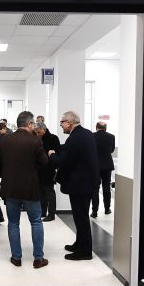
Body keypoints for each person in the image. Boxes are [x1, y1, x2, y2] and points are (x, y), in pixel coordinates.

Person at [0, 111, 49, 268]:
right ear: (30, 124)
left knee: (13, 223)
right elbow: (44, 162)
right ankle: (38, 258)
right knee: (36, 221)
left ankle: (16, 258)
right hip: (30, 187)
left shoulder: (4, 140)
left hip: (10, 187)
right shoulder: (35, 140)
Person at [47, 111, 99, 261]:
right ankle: (80, 243)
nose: (61, 125)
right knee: (80, 216)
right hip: (87, 183)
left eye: (62, 122)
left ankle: (85, 251)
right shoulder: (86, 134)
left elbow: (63, 161)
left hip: (80, 185)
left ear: (69, 122)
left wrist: (52, 155)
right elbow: (72, 151)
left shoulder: (75, 138)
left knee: (81, 217)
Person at [33, 122, 60, 222]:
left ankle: (51, 214)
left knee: (49, 192)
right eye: (36, 132)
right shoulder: (36, 138)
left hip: (48, 169)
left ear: (44, 130)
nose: (37, 134)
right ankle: (43, 211)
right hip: (38, 169)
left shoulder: (53, 138)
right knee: (41, 192)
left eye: (39, 132)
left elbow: (57, 153)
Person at [92, 121, 116, 217]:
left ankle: (94, 211)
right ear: (105, 128)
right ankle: (107, 209)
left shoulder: (92, 136)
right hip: (107, 165)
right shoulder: (111, 136)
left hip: (95, 166)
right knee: (106, 188)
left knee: (95, 189)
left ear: (96, 127)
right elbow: (112, 150)